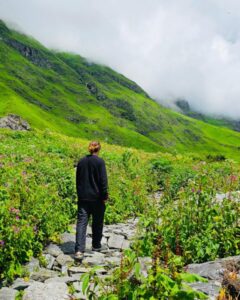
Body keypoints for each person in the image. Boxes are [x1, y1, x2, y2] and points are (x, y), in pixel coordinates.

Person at [75, 141, 108, 259]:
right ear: (98, 149)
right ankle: (96, 245)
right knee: (97, 222)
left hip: (83, 197)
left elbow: (78, 180)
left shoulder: (81, 161)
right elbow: (103, 181)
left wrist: (79, 194)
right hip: (97, 198)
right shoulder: (100, 162)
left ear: (89, 149)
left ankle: (79, 250)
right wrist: (105, 196)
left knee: (81, 223)